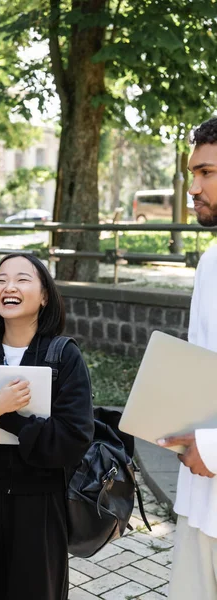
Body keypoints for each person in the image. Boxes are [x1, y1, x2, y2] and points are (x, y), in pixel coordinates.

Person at [0, 253, 94, 600]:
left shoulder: (63, 356)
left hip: (41, 502)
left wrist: (9, 416)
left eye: (22, 279)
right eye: (1, 280)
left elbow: (73, 439)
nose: (9, 287)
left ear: (44, 296)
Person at [157, 117, 217, 600]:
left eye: (206, 173)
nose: (192, 188)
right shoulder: (211, 260)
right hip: (200, 497)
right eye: (191, 174)